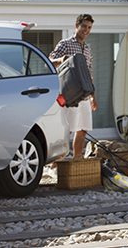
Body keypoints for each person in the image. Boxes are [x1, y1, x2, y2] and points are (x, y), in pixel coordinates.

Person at [49, 14, 98, 161]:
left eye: (89, 27)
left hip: (85, 95)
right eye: (84, 26)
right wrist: (61, 59)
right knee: (68, 130)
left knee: (83, 129)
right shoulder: (65, 44)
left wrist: (93, 96)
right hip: (71, 95)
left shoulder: (88, 49)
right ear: (76, 25)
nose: (86, 30)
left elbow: (89, 73)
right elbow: (49, 60)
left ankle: (77, 159)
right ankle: (55, 162)